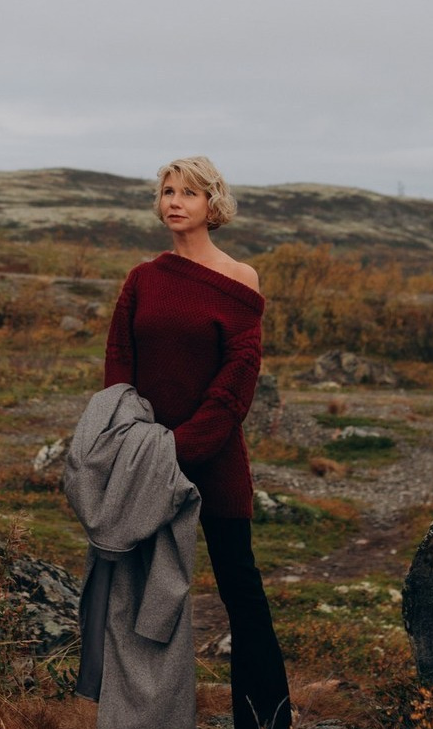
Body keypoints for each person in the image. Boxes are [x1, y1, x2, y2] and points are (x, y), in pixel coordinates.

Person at [103, 156, 292, 729]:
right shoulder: (143, 278)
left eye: (188, 192)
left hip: (214, 459)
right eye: (166, 191)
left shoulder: (240, 279)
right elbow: (119, 367)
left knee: (241, 588)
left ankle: (266, 721)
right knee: (140, 592)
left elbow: (239, 378)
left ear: (213, 203)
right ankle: (145, 716)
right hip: (146, 457)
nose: (174, 201)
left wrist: (184, 447)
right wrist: (137, 443)